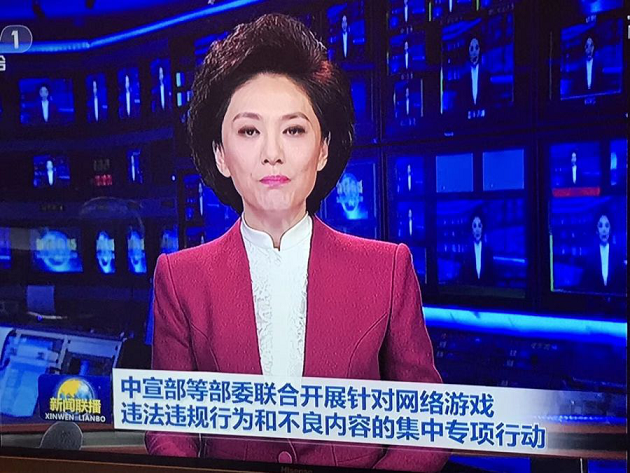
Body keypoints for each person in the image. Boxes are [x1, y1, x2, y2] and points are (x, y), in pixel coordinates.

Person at [147, 14, 447, 472]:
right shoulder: (180, 278)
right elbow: (169, 429)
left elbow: (427, 427)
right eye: (249, 131)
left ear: (322, 149)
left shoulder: (387, 269)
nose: (273, 153)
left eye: (293, 130)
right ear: (220, 154)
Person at [582, 213, 626, 294]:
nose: (604, 230)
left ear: (610, 229)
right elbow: (586, 285)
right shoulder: (591, 256)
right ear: (596, 231)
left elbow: (622, 284)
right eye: (600, 226)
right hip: (596, 300)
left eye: (607, 226)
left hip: (615, 300)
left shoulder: (618, 254)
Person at [461, 213, 495, 285]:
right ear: (471, 229)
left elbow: (492, 275)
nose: (477, 230)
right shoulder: (467, 252)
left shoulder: (489, 251)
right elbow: (464, 276)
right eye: (474, 226)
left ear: (483, 228)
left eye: (479, 226)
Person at [459, 37, 491, 112]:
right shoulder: (463, 77)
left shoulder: (486, 75)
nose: (474, 52)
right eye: (471, 48)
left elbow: (489, 100)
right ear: (467, 51)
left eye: (477, 48)